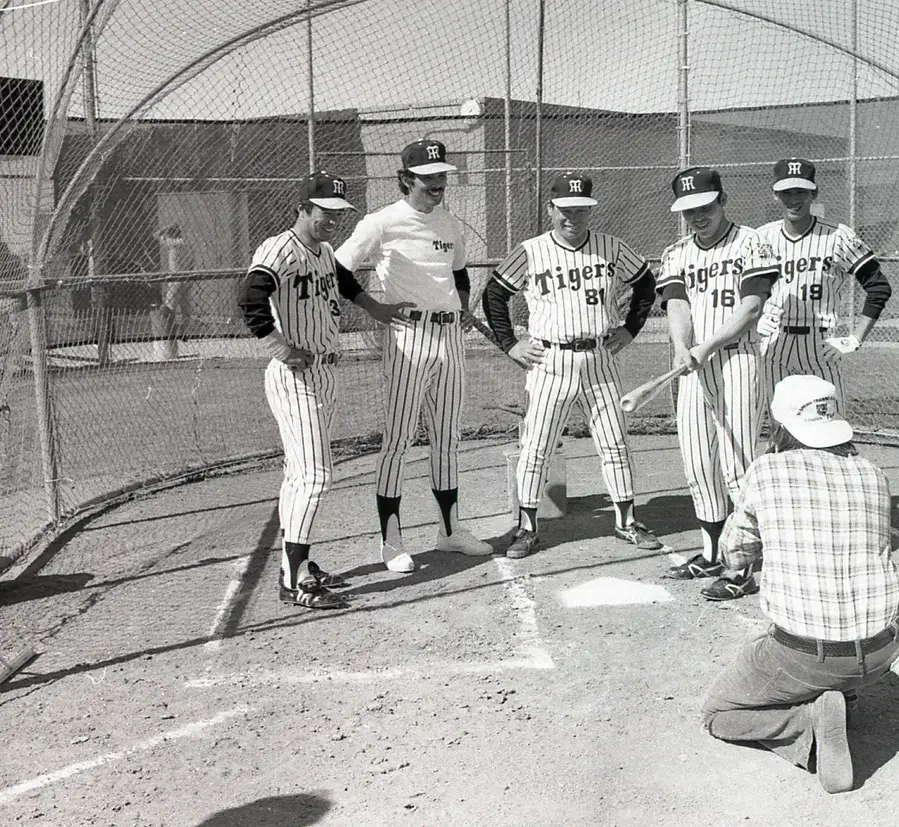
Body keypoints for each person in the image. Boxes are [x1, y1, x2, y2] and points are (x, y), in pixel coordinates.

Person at [700, 374, 899, 793]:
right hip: (882, 650)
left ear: (780, 426)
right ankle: (842, 693)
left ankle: (806, 724)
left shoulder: (767, 469)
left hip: (806, 656)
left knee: (719, 714)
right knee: (862, 607)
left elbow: (735, 555)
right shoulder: (873, 472)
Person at [237, 171, 412, 609]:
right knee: (316, 476)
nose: (332, 219)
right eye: (325, 212)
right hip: (298, 376)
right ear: (303, 208)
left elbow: (346, 284)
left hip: (325, 373)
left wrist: (379, 310)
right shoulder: (279, 248)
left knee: (299, 475)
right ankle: (295, 578)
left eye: (339, 212)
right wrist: (280, 347)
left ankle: (292, 566)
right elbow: (251, 298)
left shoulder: (325, 251)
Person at [482, 172, 663, 558]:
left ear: (589, 209)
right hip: (550, 360)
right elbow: (494, 294)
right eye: (565, 210)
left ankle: (627, 521)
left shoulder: (610, 247)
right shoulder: (530, 250)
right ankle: (527, 529)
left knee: (615, 443)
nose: (572, 217)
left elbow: (647, 284)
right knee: (536, 447)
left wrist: (630, 329)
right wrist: (511, 344)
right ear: (550, 209)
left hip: (600, 358)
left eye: (580, 209)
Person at [336, 140, 494, 573]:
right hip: (408, 340)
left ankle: (449, 531)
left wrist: (463, 305)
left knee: (447, 439)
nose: (438, 184)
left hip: (448, 341)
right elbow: (337, 268)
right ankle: (391, 542)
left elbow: (459, 270)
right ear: (405, 179)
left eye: (442, 175)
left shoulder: (448, 222)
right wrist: (374, 308)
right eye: (428, 177)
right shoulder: (382, 222)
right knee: (398, 443)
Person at [657, 166, 780, 601]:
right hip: (694, 365)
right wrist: (680, 347)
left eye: (705, 206)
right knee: (696, 461)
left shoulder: (751, 242)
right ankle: (711, 553)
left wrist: (706, 345)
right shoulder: (676, 253)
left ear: (722, 200)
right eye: (689, 210)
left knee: (736, 462)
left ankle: (742, 568)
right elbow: (677, 305)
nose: (697, 216)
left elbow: (751, 308)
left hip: (737, 359)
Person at [756, 158, 892, 414]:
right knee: (780, 426)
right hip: (773, 343)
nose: (793, 199)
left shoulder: (839, 236)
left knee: (830, 424)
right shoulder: (761, 238)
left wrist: (856, 338)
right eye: (786, 192)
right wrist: (755, 321)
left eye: (800, 191)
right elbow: (736, 287)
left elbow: (879, 287)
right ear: (775, 195)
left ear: (813, 193)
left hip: (821, 344)